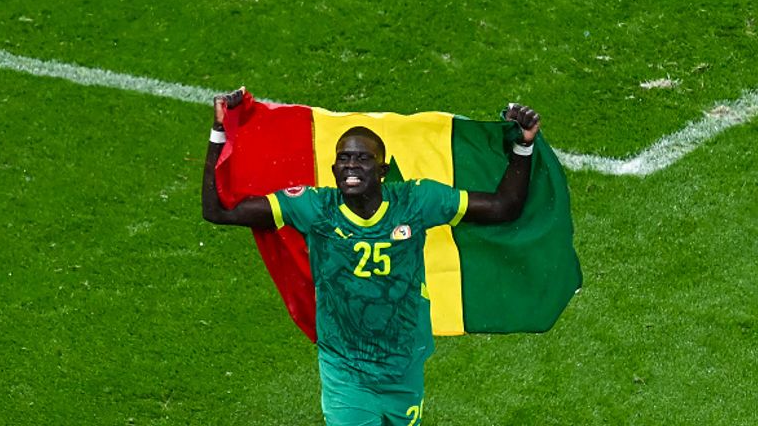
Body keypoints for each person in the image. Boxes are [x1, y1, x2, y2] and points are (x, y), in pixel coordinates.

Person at [201, 87, 540, 426]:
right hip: (346, 370)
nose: (351, 165)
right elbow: (219, 210)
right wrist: (220, 130)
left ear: (382, 169)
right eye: (344, 159)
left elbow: (502, 207)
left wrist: (523, 144)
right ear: (333, 169)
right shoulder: (315, 207)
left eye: (362, 158)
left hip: (403, 366)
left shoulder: (415, 201)